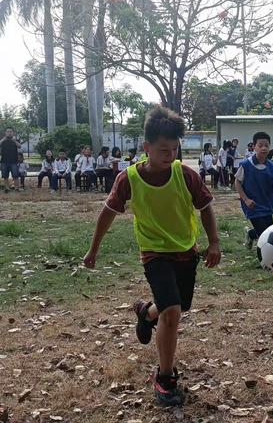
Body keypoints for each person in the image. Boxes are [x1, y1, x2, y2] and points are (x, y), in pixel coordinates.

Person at [83, 106, 221, 407]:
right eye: (163, 150)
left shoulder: (186, 175)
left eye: (175, 149)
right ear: (146, 148)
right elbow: (107, 213)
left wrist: (214, 242)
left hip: (186, 251)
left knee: (177, 306)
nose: (170, 155)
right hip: (154, 253)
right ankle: (165, 379)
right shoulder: (128, 178)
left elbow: (205, 206)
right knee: (172, 311)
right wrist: (93, 250)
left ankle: (146, 314)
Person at [235, 131, 273, 250]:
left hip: (267, 204)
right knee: (264, 235)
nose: (264, 148)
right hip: (252, 206)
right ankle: (264, 260)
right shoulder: (245, 165)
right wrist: (245, 199)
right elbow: (237, 182)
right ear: (254, 147)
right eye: (260, 145)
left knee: (268, 232)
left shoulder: (271, 166)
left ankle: (250, 234)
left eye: (266, 145)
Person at [0, 127, 21, 192]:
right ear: (5, 133)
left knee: (15, 176)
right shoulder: (3, 140)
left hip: (14, 161)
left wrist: (14, 140)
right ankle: (7, 188)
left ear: (13, 133)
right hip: (4, 161)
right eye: (8, 131)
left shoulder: (15, 140)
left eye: (10, 131)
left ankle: (16, 188)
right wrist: (3, 139)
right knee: (5, 176)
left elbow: (19, 146)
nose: (9, 133)